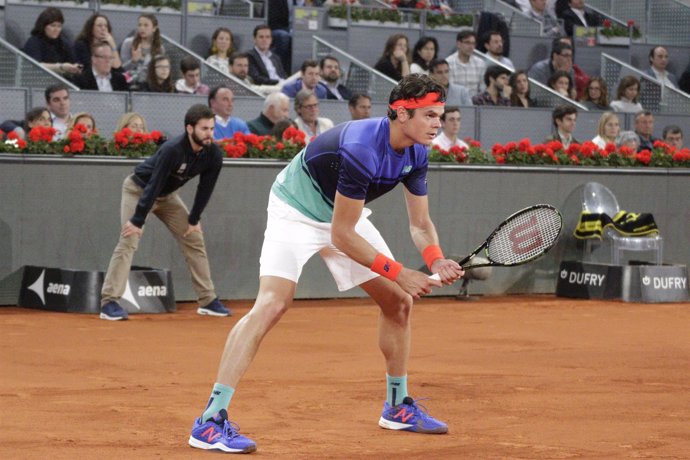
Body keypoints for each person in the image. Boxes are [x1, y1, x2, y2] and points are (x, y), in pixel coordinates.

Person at [187, 74, 463, 454]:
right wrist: (402, 272)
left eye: (440, 115)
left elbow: (420, 224)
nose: (438, 123)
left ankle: (397, 406)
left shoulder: (417, 152)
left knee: (399, 302)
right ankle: (210, 420)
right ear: (401, 113)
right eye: (430, 115)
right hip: (296, 211)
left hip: (341, 216)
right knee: (273, 304)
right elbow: (343, 237)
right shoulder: (363, 146)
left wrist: (436, 259)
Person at [99, 104, 230, 321]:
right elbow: (154, 183)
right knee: (129, 240)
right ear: (190, 129)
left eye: (211, 129)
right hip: (138, 190)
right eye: (204, 129)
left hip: (168, 196)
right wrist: (138, 220)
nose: (209, 134)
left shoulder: (213, 154)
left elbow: (205, 188)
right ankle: (109, 302)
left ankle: (207, 300)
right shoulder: (173, 149)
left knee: (194, 238)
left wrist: (194, 219)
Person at [23, 7, 82, 76]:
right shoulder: (33, 42)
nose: (56, 29)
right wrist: (61, 67)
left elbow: (75, 61)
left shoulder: (63, 43)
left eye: (59, 26)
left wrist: (76, 67)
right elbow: (35, 65)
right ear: (43, 26)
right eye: (53, 25)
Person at [120, 13, 164, 88]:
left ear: (154, 28)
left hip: (149, 87)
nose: (142, 28)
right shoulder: (128, 43)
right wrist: (133, 61)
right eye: (139, 25)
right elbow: (121, 69)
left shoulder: (159, 48)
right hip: (129, 85)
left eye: (146, 25)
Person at [445, 30, 485, 96]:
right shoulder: (448, 63)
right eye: (467, 43)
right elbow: (450, 89)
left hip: (475, 103)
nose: (471, 46)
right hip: (456, 102)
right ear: (458, 44)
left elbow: (482, 88)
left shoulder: (480, 63)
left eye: (473, 43)